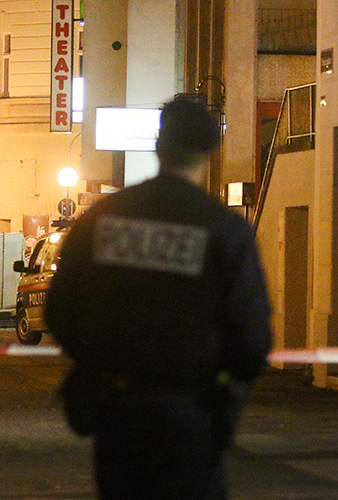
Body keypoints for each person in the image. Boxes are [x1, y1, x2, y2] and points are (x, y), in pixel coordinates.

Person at [44, 98, 273, 500]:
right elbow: (252, 338)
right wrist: (221, 379)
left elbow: (60, 311)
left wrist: (98, 363)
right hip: (191, 413)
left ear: (158, 145)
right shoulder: (223, 229)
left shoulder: (103, 218)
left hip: (117, 409)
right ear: (209, 150)